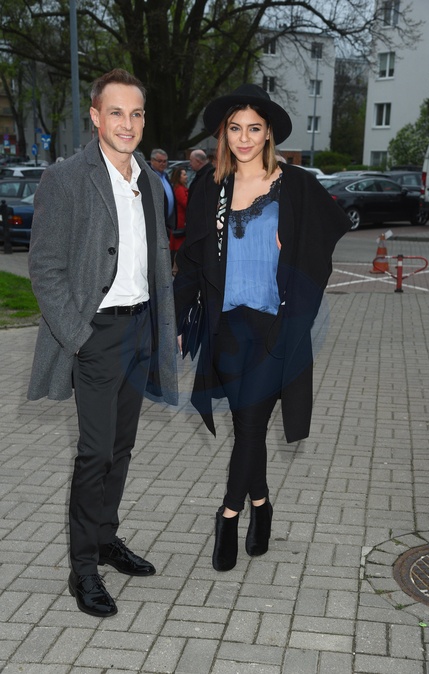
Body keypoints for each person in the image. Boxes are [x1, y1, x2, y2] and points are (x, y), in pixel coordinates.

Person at [173, 84, 350, 572]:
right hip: (228, 326)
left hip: (276, 327)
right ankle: (262, 505)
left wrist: (291, 250)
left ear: (268, 132)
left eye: (254, 128)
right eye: (235, 128)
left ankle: (228, 516)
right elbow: (192, 259)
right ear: (224, 134)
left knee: (249, 424)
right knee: (246, 426)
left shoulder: (295, 185)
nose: (245, 137)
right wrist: (178, 318)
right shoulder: (211, 185)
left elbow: (323, 245)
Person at [27, 68, 178, 617]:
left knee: (121, 447)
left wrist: (164, 322)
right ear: (95, 117)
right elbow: (44, 268)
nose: (127, 123)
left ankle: (106, 538)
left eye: (135, 113)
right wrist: (79, 337)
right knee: (94, 453)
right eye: (116, 112)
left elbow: (155, 259)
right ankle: (83, 569)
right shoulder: (66, 178)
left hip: (141, 330)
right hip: (97, 334)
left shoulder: (151, 181)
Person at [149, 148, 177, 234]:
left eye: (165, 161)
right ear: (152, 161)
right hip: (156, 225)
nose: (162, 164)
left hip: (167, 223)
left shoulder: (165, 176)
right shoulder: (149, 177)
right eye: (159, 161)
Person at [169, 166, 189, 265]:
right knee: (179, 247)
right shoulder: (180, 190)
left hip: (182, 221)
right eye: (184, 175)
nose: (186, 176)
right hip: (181, 223)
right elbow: (186, 203)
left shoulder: (182, 188)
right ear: (179, 177)